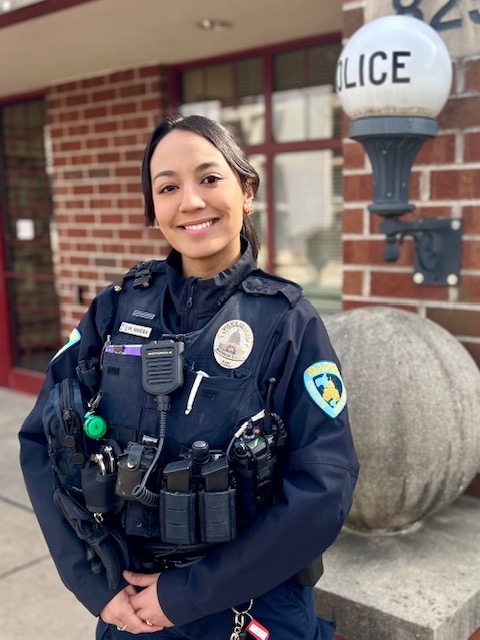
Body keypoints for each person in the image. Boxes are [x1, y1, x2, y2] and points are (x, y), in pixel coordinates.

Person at [19, 114, 359, 639]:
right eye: (168, 187)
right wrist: (94, 585)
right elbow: (41, 438)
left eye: (209, 178)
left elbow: (325, 487)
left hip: (249, 610)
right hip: (127, 607)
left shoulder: (288, 322)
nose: (191, 202)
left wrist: (184, 596)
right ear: (154, 210)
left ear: (246, 191)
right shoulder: (112, 311)